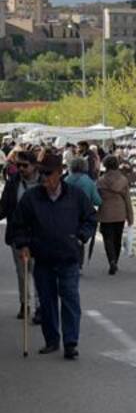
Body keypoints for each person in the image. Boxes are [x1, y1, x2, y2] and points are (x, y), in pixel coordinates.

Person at [11, 150, 96, 359]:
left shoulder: (75, 195)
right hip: (43, 258)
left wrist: (81, 237)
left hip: (68, 257)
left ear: (59, 173)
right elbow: (18, 224)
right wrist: (23, 244)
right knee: (47, 302)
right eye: (42, 173)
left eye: (48, 173)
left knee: (70, 300)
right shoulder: (32, 197)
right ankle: (51, 340)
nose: (44, 178)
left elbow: (90, 218)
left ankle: (70, 343)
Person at [0, 149, 41, 321]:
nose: (21, 169)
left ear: (34, 166)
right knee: (22, 272)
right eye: (18, 165)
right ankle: (25, 303)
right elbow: (4, 206)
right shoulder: (13, 182)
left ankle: (40, 306)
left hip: (40, 235)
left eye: (25, 165)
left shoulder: (44, 181)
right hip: (18, 234)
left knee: (39, 271)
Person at [96, 154, 134, 275]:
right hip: (120, 212)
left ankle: (111, 260)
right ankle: (115, 261)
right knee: (117, 238)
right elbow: (127, 199)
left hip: (105, 212)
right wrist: (130, 216)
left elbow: (97, 198)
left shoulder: (101, 180)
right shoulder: (123, 180)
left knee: (108, 238)